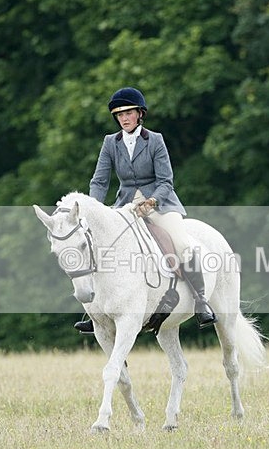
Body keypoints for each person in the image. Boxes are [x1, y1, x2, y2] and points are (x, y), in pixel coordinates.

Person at [74, 87, 217, 333]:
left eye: (129, 113)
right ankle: (95, 311)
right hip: (125, 205)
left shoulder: (155, 140)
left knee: (182, 243)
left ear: (140, 114)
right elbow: (99, 181)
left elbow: (166, 181)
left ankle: (201, 300)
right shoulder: (110, 143)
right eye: (119, 115)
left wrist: (151, 201)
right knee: (98, 245)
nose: (124, 118)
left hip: (159, 203)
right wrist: (93, 209)